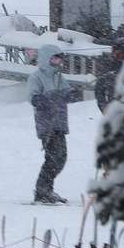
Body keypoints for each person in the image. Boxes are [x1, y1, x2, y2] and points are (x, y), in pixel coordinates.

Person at [29, 44, 81, 203]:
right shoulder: (36, 77)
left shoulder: (59, 77)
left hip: (59, 123)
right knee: (53, 158)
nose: (58, 61)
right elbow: (34, 99)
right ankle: (43, 191)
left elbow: (65, 94)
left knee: (61, 157)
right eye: (54, 58)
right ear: (46, 58)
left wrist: (71, 94)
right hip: (47, 124)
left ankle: (46, 190)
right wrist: (52, 98)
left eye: (59, 58)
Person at [94, 37, 124, 113]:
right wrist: (104, 108)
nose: (118, 56)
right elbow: (99, 89)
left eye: (121, 54)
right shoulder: (110, 71)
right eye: (115, 53)